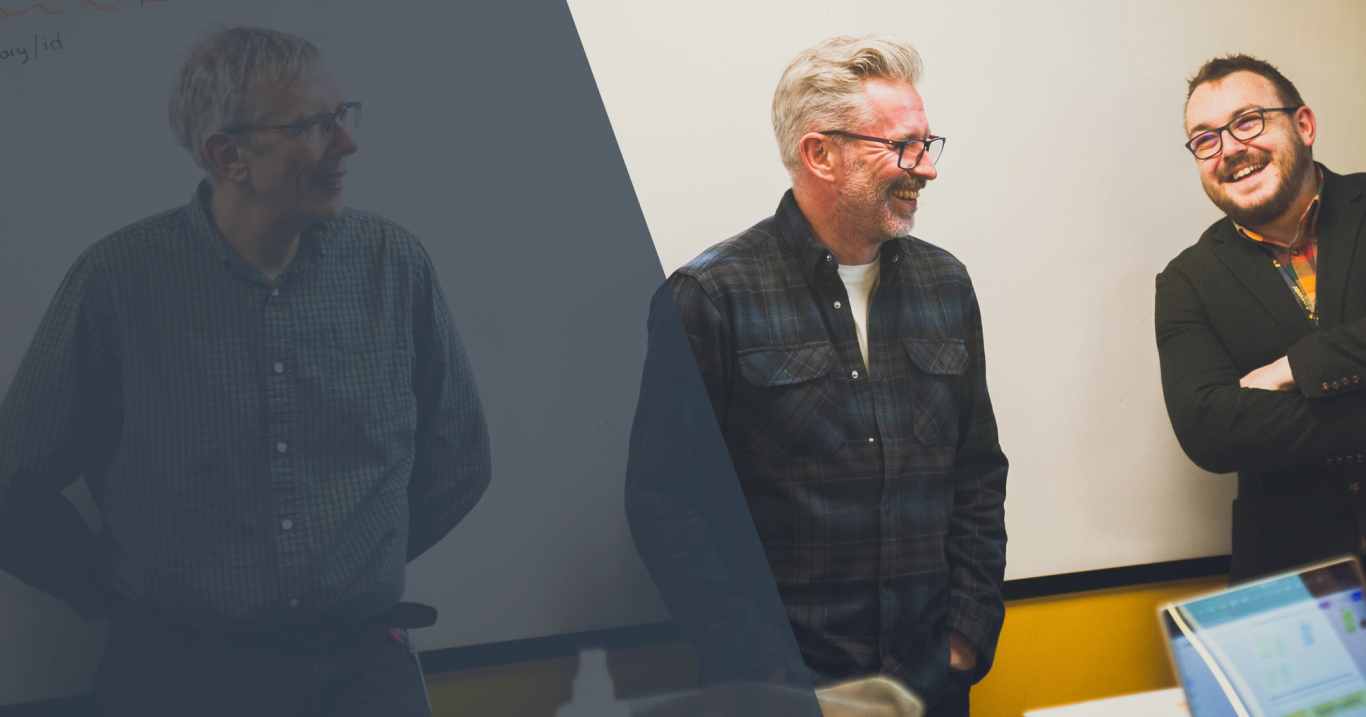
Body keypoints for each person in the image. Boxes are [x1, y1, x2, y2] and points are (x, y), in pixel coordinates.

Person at [0, 25, 491, 716]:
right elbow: (11, 483)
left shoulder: (392, 266)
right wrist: (104, 589)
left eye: (342, 116)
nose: (346, 143)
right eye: (314, 126)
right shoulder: (117, 283)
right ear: (227, 155)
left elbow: (458, 456)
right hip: (177, 671)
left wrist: (354, 566)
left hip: (361, 667)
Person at [626, 35, 1007, 716]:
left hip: (933, 684)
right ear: (819, 154)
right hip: (783, 694)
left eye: (926, 144)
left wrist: (964, 639)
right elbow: (667, 508)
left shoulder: (946, 284)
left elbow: (978, 474)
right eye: (902, 146)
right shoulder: (711, 297)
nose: (925, 168)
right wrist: (770, 669)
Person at [1157, 54, 1366, 583]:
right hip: (1297, 583)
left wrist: (1294, 368)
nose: (1229, 149)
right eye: (1205, 139)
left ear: (1304, 125)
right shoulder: (1186, 280)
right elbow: (1210, 430)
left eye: (1247, 121)